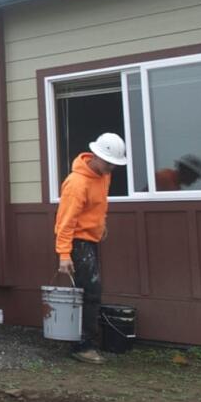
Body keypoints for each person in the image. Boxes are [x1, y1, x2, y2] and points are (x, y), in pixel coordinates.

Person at [54, 131, 127, 364]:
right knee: (90, 292)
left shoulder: (103, 175)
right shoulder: (77, 184)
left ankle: (85, 341)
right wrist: (64, 254)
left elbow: (101, 202)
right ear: (95, 156)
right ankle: (82, 345)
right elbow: (64, 222)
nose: (111, 168)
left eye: (114, 164)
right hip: (77, 241)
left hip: (91, 239)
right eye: (108, 163)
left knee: (91, 291)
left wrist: (100, 224)